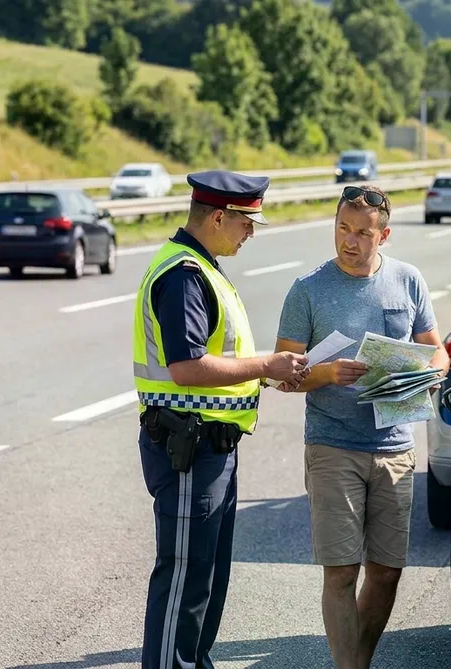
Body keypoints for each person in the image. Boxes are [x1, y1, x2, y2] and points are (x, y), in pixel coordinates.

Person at [134, 169, 310, 669]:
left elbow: (219, 359)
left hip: (212, 449)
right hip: (187, 449)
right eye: (247, 223)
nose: (251, 233)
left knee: (206, 576)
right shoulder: (184, 276)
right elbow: (188, 367)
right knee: (186, 576)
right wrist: (266, 365)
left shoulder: (202, 267)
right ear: (217, 217)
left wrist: (268, 375)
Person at [273, 184, 449, 669]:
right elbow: (281, 375)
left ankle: (358, 663)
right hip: (332, 444)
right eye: (342, 229)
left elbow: (437, 348)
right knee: (341, 571)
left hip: (395, 444)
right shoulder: (307, 290)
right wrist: (326, 373)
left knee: (388, 572)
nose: (349, 241)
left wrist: (433, 371)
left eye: (362, 233)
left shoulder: (408, 281)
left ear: (384, 235)